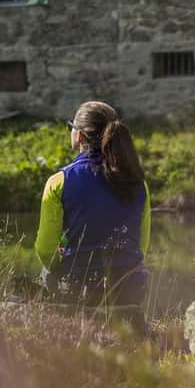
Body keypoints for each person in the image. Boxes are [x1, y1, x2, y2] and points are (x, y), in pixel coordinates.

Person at [35, 101, 151, 327]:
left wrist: (67, 266)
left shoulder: (59, 181)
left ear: (78, 136)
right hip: (130, 290)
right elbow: (141, 247)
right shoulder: (139, 183)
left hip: (80, 289)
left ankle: (63, 325)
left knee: (45, 272)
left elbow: (44, 249)